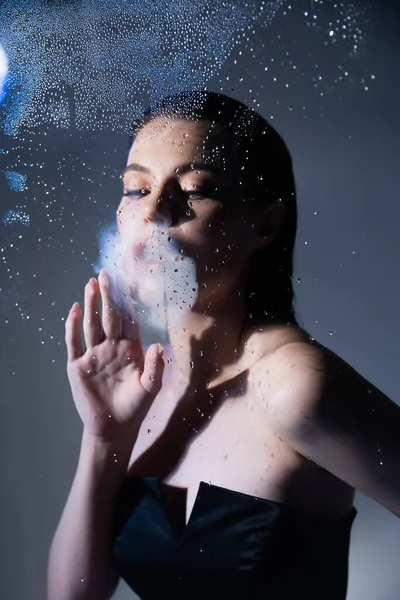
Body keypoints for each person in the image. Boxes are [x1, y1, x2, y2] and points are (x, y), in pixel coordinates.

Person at [46, 91, 400, 600]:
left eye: (194, 188)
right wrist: (103, 440)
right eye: (135, 188)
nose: (155, 212)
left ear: (265, 224)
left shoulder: (293, 386)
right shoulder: (147, 386)